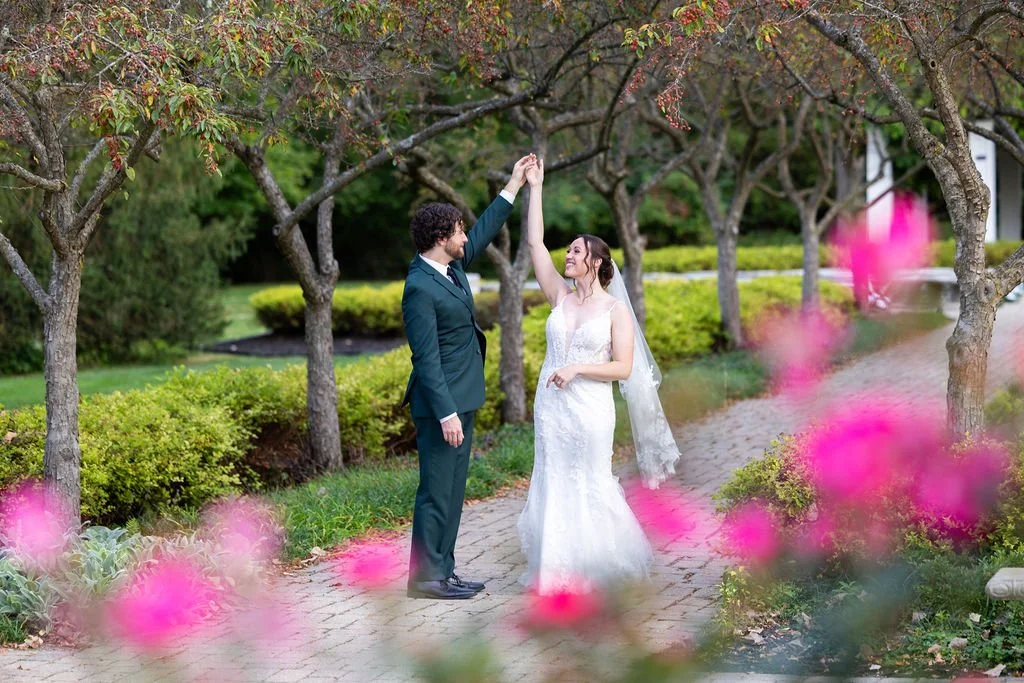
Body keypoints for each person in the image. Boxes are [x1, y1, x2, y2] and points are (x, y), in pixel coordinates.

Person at [517, 158, 681, 594]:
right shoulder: (558, 296)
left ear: (596, 262)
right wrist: (535, 188)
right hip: (551, 407)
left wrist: (578, 368)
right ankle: (554, 574)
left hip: (590, 408)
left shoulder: (615, 310)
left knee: (587, 479)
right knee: (552, 476)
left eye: (575, 251)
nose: (567, 256)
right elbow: (534, 242)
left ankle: (597, 569)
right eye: (567, 250)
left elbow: (624, 367)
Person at [402, 154, 536, 600]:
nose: (465, 235)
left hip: (464, 399)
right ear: (441, 238)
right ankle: (425, 579)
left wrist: (513, 183)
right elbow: (425, 359)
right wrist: (446, 414)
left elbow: (482, 232)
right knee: (436, 493)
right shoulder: (419, 286)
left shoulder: (450, 267)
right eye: (458, 230)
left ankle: (444, 570)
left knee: (453, 491)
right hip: (442, 408)